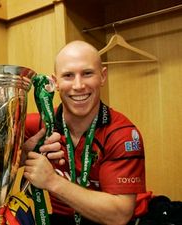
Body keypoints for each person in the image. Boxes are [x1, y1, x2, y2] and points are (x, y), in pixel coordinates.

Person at [23, 40, 146, 225]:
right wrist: (21, 155)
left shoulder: (122, 134)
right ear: (55, 82)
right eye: (68, 76)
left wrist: (51, 181)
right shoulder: (39, 127)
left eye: (87, 73)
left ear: (103, 76)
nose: (78, 85)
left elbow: (120, 214)